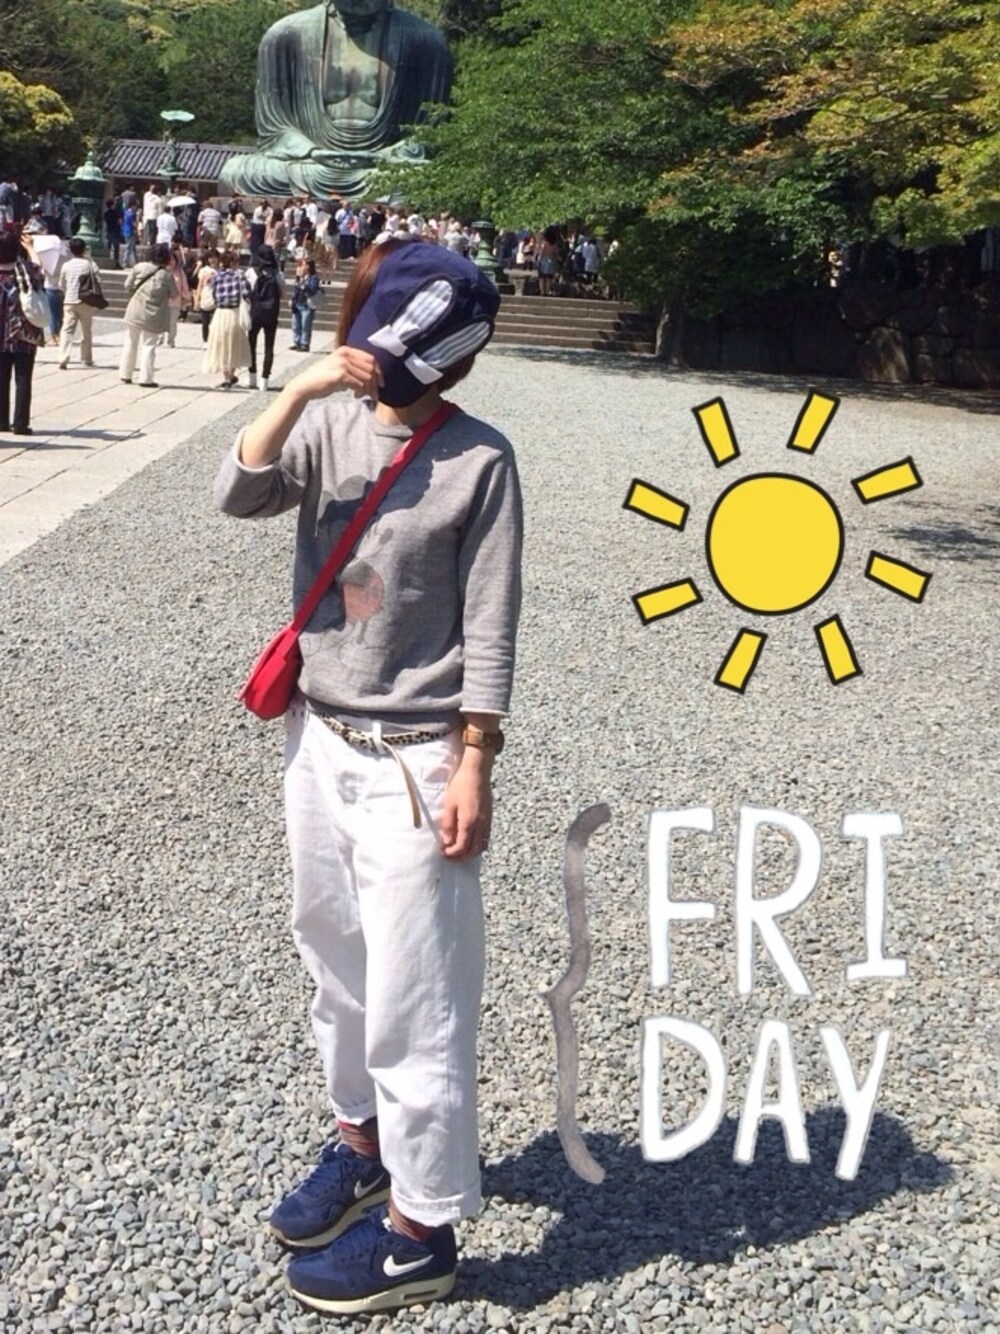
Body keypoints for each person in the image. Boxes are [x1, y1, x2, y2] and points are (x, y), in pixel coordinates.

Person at [213, 237, 520, 1316]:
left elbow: (491, 623)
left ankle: (421, 1231)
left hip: (417, 756)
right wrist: (298, 388)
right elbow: (237, 492)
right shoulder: (331, 421)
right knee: (334, 960)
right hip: (318, 734)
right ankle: (363, 1146)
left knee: (417, 994)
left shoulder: (480, 459)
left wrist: (475, 761)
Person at [218, 0, 452, 200]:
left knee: (435, 179)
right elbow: (276, 129)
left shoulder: (425, 41)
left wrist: (387, 156)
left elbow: (429, 133)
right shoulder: (285, 35)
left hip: (383, 166)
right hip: (311, 163)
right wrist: (311, 151)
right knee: (237, 172)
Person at [0, 230, 45, 435]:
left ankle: (1, 421)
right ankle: (20, 423)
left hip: (1, 335)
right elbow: (39, 269)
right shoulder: (25, 272)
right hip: (23, 335)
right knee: (23, 378)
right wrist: (30, 248)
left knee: (1, 378)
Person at [119, 242, 173, 387]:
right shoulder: (166, 275)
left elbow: (127, 285)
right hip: (154, 314)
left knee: (130, 342)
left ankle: (125, 374)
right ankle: (146, 378)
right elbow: (174, 293)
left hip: (135, 309)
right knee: (149, 345)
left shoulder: (139, 267)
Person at [202, 249, 251, 388]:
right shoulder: (240, 277)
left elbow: (213, 294)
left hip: (220, 313)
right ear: (234, 262)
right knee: (234, 344)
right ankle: (231, 374)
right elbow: (247, 294)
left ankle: (226, 377)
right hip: (234, 313)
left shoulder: (217, 277)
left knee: (221, 344)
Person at [244, 243, 284, 390]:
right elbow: (281, 291)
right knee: (269, 346)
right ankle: (265, 380)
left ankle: (252, 376)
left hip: (255, 312)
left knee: (251, 344)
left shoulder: (251, 272)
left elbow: (246, 292)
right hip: (271, 314)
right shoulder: (278, 274)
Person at [58, 237, 101, 370]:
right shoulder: (90, 264)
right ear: (84, 250)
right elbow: (98, 280)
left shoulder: (66, 265)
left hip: (70, 300)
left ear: (71, 250)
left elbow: (61, 284)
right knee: (86, 330)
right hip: (86, 301)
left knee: (67, 329)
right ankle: (86, 358)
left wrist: (67, 291)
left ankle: (63, 357)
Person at [289, 256, 321, 351]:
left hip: (307, 304)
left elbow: (312, 290)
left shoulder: (313, 278)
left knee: (305, 325)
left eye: (302, 265)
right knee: (296, 324)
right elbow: (295, 289)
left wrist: (304, 285)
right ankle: (297, 341)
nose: (301, 267)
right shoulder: (299, 277)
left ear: (308, 266)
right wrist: (292, 299)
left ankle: (304, 344)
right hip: (297, 303)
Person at [193, 248, 221, 345]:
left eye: (215, 257)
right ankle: (206, 340)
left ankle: (215, 340)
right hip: (206, 296)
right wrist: (197, 300)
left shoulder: (221, 270)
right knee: (205, 322)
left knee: (216, 322)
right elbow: (199, 286)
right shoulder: (203, 270)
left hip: (217, 298)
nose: (213, 260)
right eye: (210, 258)